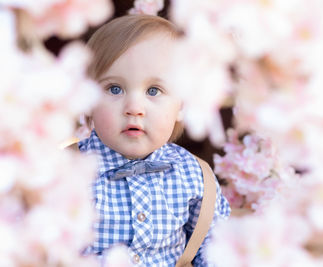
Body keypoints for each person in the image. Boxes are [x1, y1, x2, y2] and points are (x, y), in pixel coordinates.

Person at [78, 14, 230, 266]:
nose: (134, 107)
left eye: (154, 91)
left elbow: (215, 246)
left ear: (182, 104)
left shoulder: (193, 176)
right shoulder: (70, 171)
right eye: (114, 88)